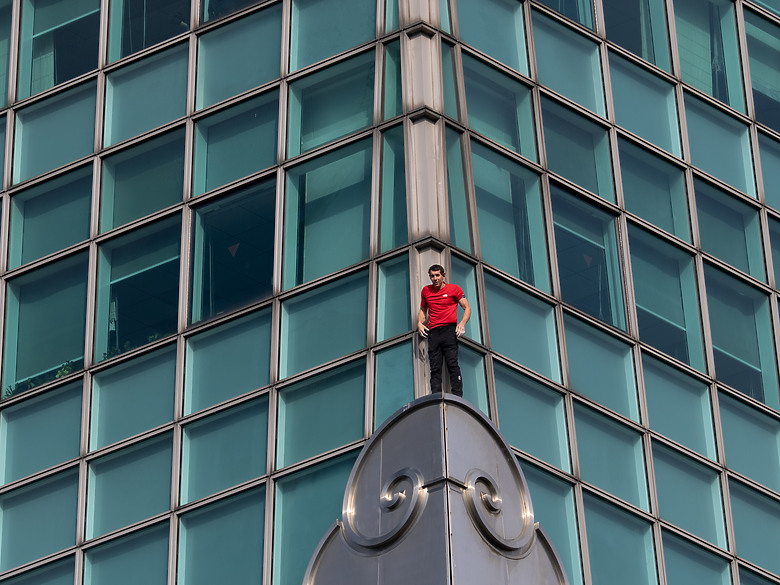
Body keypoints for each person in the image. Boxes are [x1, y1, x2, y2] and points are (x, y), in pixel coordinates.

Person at [418, 264, 471, 396]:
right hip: (434, 332)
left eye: (437, 275)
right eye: (432, 276)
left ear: (443, 276)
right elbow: (423, 310)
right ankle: (435, 396)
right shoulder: (426, 291)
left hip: (449, 330)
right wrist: (419, 323)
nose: (435, 278)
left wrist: (462, 323)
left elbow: (467, 308)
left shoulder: (454, 289)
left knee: (452, 363)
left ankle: (458, 396)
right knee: (435, 367)